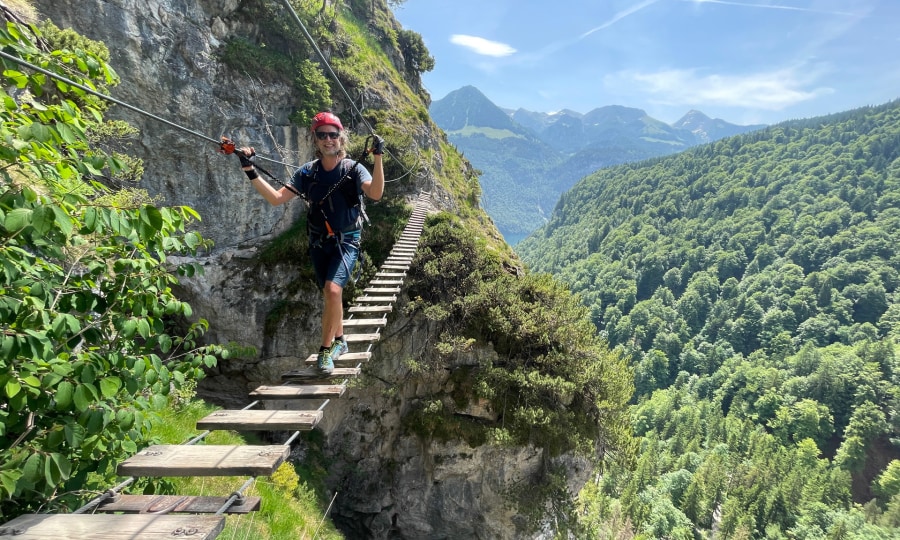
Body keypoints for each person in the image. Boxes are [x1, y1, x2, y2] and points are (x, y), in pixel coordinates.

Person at [237, 111, 384, 375]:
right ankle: (340, 341)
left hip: (347, 241)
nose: (328, 139)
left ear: (341, 137)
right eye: (322, 135)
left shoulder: (354, 169)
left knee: (333, 291)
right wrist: (249, 169)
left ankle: (325, 350)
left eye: (333, 134)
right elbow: (276, 198)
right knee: (330, 295)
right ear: (314, 139)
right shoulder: (308, 172)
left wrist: (378, 158)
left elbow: (375, 193)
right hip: (318, 242)